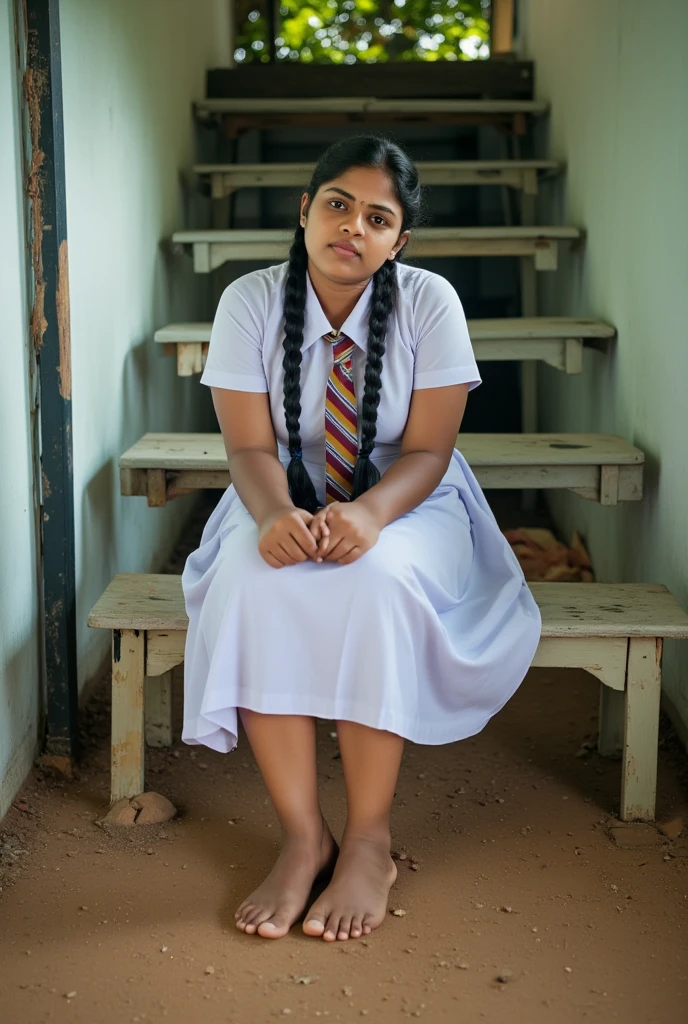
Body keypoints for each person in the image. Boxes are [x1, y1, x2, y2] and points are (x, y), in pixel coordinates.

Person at [181, 135, 542, 943]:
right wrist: (274, 516)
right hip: (279, 488)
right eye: (338, 203)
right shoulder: (250, 300)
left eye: (378, 217)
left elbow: (429, 450)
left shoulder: (427, 301)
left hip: (410, 497)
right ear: (305, 209)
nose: (353, 226)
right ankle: (305, 836)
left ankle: (370, 839)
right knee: (254, 580)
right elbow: (247, 449)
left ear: (398, 241)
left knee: (376, 582)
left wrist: (373, 514)